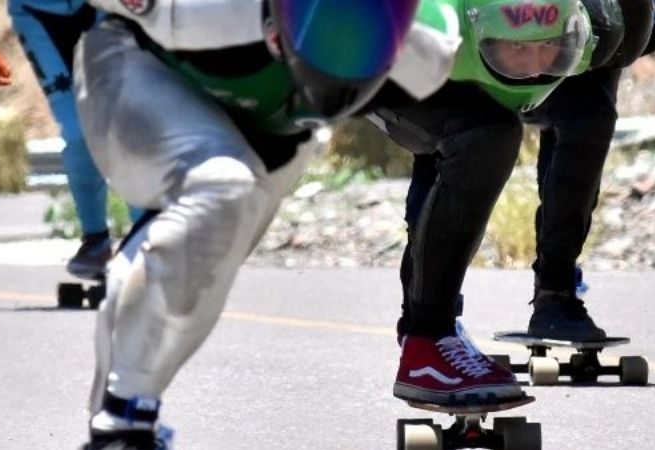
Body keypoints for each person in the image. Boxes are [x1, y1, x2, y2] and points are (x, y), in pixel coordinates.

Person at [71, 0, 460, 447]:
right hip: (140, 65)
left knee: (205, 263)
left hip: (274, 131)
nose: (341, 46)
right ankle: (122, 418)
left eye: (366, 32)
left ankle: (125, 413)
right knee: (220, 188)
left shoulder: (426, 49)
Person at [370, 0, 655, 407]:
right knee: (479, 136)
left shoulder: (606, 28)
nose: (537, 65)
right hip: (385, 58)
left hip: (470, 50)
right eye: (519, 48)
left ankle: (548, 296)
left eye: (551, 46)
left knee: (584, 112)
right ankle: (425, 341)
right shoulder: (416, 29)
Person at [522, 0, 655, 340]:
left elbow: (640, 35)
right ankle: (429, 319)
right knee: (462, 137)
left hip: (594, 34)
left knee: (587, 116)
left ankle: (555, 292)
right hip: (491, 26)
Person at [0, 0, 134, 279]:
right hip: (39, 17)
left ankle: (147, 233)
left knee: (125, 121)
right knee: (78, 130)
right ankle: (96, 240)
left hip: (105, 10)